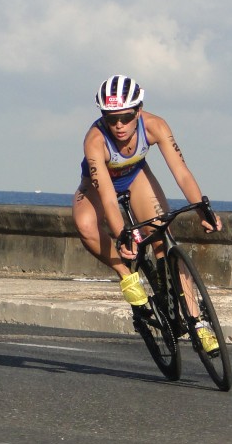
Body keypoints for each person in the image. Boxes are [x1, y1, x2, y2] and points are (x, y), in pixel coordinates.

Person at [71, 74, 222, 352]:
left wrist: (202, 208)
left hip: (134, 177)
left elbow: (182, 173)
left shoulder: (155, 126)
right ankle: (127, 275)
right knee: (85, 225)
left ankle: (197, 322)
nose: (118, 126)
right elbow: (107, 198)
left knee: (163, 239)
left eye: (126, 118)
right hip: (97, 186)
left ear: (138, 111)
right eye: (110, 118)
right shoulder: (95, 141)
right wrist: (122, 235)